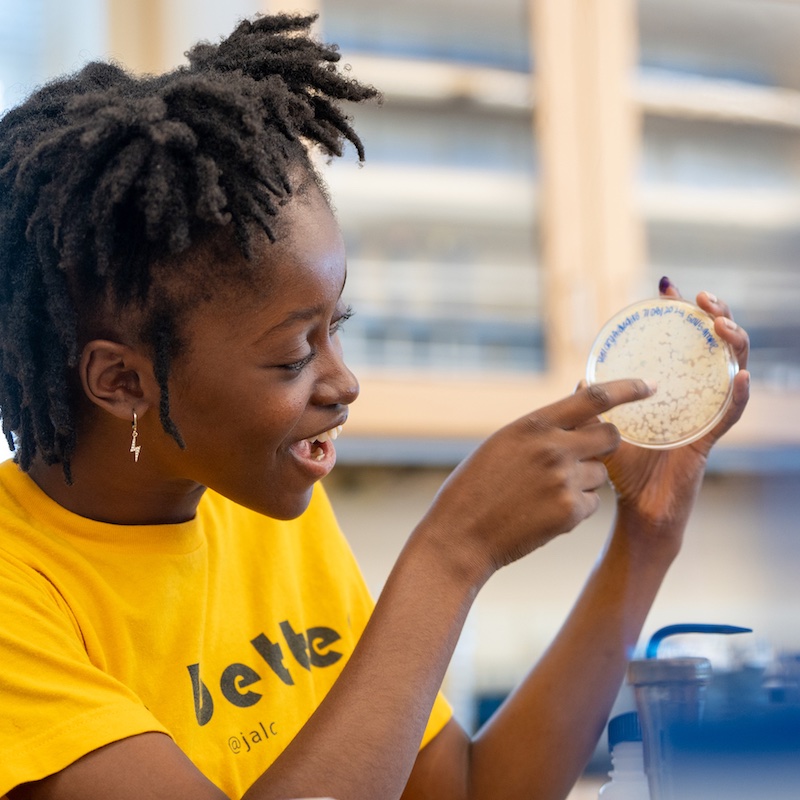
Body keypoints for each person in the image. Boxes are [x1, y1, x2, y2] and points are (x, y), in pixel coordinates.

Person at [0, 13, 750, 800]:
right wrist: (449, 556)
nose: (342, 381)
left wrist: (647, 538)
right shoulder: (20, 598)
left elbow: (460, 794)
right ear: (122, 382)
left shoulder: (257, 504)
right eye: (293, 355)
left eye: (337, 329)